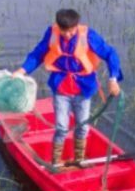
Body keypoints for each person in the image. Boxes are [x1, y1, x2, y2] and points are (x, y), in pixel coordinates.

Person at [13, 9, 122, 168]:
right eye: (65, 32)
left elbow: (110, 53)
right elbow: (37, 54)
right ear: (58, 26)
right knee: (62, 128)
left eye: (72, 31)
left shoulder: (88, 35)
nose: (68, 35)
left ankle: (79, 160)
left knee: (83, 126)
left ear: (77, 26)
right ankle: (56, 163)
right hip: (61, 89)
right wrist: (22, 71)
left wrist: (113, 79)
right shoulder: (52, 34)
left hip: (83, 89)